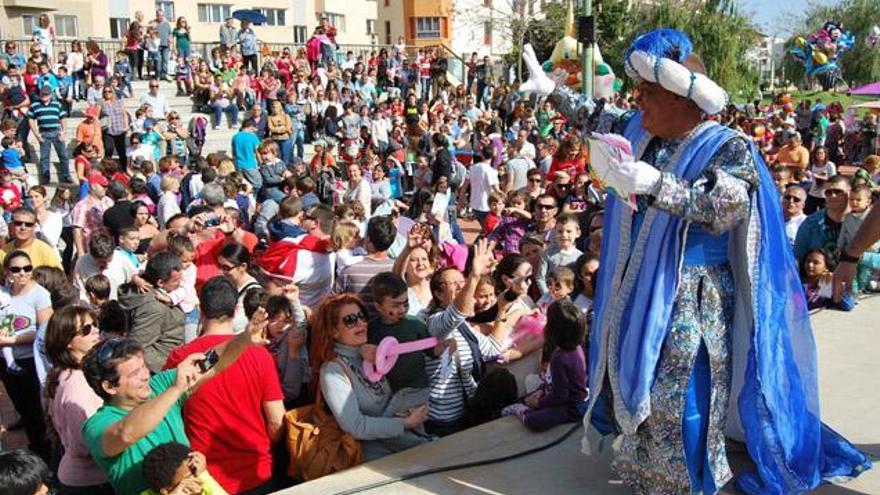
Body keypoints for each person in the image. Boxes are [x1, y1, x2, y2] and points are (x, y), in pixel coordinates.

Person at [519, 29, 869, 494]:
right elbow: (596, 115)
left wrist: (657, 186)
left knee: (681, 389)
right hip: (639, 282)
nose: (637, 98)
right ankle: (646, 475)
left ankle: (686, 482)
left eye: (648, 91)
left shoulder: (728, 146)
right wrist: (553, 91)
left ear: (682, 97)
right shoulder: (642, 129)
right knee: (637, 379)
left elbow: (728, 205)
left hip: (693, 295)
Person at [80, 305, 268, 495]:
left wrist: (244, 339)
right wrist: (176, 389)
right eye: (135, 373)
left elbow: (211, 363)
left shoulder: (159, 385)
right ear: (109, 387)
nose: (146, 375)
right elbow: (125, 433)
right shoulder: (96, 426)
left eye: (144, 366)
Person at [162, 277, 284, 494]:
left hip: (204, 477)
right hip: (256, 473)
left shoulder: (180, 358)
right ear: (236, 311)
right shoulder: (259, 354)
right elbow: (276, 423)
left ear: (201, 309)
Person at [311, 293, 428, 460]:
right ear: (333, 331)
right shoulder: (332, 370)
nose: (361, 323)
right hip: (375, 461)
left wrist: (406, 412)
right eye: (350, 320)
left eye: (362, 317)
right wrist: (405, 423)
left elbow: (385, 404)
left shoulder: (370, 355)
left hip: (401, 447)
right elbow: (354, 425)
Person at [44, 305, 114, 494]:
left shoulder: (65, 373)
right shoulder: (79, 386)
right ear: (67, 341)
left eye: (95, 324)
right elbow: (88, 443)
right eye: (86, 329)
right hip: (91, 482)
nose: (96, 331)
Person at [0, 251, 53, 460]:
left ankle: (41, 452)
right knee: (21, 404)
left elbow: (43, 330)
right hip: (6, 361)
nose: (22, 273)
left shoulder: (39, 294)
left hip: (29, 361)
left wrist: (10, 340)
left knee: (35, 411)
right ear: (7, 272)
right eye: (16, 269)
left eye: (27, 268)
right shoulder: (3, 294)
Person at [504, 300, 587, 431]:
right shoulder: (573, 348)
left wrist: (539, 403)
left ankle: (523, 412)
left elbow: (561, 396)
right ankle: (528, 405)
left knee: (535, 421)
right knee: (526, 398)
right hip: (556, 396)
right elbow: (553, 383)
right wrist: (541, 391)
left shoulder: (560, 358)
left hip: (571, 407)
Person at [117, 252, 185, 373]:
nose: (180, 283)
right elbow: (137, 346)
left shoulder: (144, 290)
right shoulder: (154, 308)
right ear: (160, 282)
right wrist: (167, 367)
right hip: (161, 370)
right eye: (175, 281)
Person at [334, 215, 396, 311]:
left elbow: (334, 302)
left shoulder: (349, 270)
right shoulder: (397, 268)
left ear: (368, 239)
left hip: (356, 323)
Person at [794, 175, 851, 265]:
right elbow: (797, 257)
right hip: (819, 278)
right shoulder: (810, 223)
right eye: (828, 193)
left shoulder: (864, 222)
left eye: (838, 191)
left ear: (849, 193)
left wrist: (859, 256)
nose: (833, 195)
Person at [141, 442, 227, 495]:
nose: (197, 479)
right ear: (166, 491)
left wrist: (204, 475)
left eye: (195, 471)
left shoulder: (204, 484)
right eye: (188, 479)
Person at [28, 85, 72, 184]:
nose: (44, 95)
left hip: (57, 131)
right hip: (44, 132)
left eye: (46, 94)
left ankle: (67, 176)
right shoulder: (35, 105)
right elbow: (30, 119)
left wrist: (64, 131)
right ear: (40, 94)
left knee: (64, 155)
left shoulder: (57, 104)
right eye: (43, 94)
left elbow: (63, 118)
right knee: (44, 157)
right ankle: (46, 176)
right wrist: (36, 135)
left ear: (50, 94)